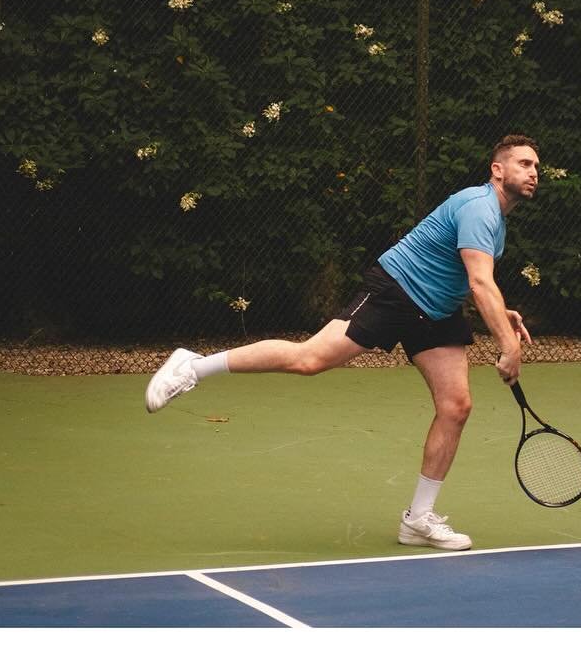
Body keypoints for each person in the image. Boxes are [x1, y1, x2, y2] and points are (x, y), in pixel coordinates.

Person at [144, 133, 540, 551]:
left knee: (455, 406)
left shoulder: (497, 221)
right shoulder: (480, 207)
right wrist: (508, 348)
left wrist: (501, 311)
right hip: (397, 291)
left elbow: (473, 279)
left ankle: (418, 520)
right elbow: (479, 282)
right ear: (498, 170)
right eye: (523, 164)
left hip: (436, 312)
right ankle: (193, 365)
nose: (532, 173)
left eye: (535, 166)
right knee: (309, 359)